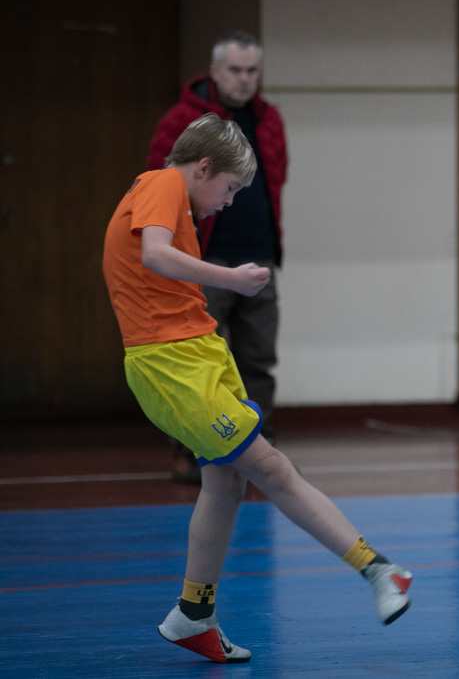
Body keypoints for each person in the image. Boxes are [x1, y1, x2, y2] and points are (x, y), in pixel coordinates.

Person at [103, 115, 411, 663]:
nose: (227, 203)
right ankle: (378, 569)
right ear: (203, 168)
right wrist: (231, 278)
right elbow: (153, 253)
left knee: (226, 484)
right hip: (172, 362)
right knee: (272, 469)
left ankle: (193, 614)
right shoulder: (163, 182)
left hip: (197, 352)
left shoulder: (173, 194)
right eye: (229, 189)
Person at [147, 31, 287, 484]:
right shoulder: (183, 120)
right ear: (214, 72)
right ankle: (193, 450)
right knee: (202, 358)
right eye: (235, 70)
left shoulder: (269, 120)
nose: (244, 79)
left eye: (252, 71)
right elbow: (161, 183)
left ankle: (259, 447)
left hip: (258, 254)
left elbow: (276, 181)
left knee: (258, 357)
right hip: (204, 258)